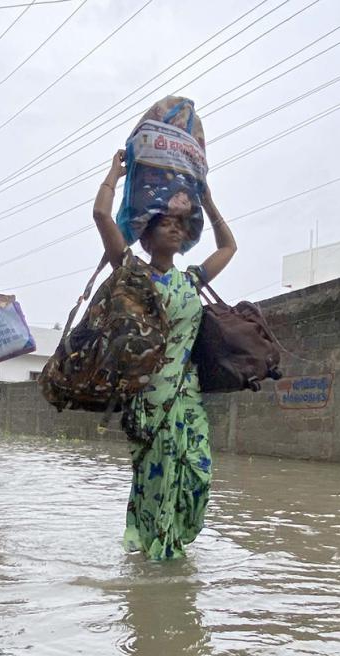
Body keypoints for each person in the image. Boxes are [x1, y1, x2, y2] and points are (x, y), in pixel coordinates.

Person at [92, 150, 237, 560]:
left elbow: (229, 245)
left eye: (178, 225)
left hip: (187, 399)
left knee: (197, 477)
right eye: (164, 224)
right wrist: (114, 173)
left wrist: (207, 201)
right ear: (147, 235)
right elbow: (102, 217)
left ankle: (167, 551)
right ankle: (156, 578)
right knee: (156, 483)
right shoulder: (134, 273)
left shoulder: (192, 280)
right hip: (149, 399)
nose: (174, 229)